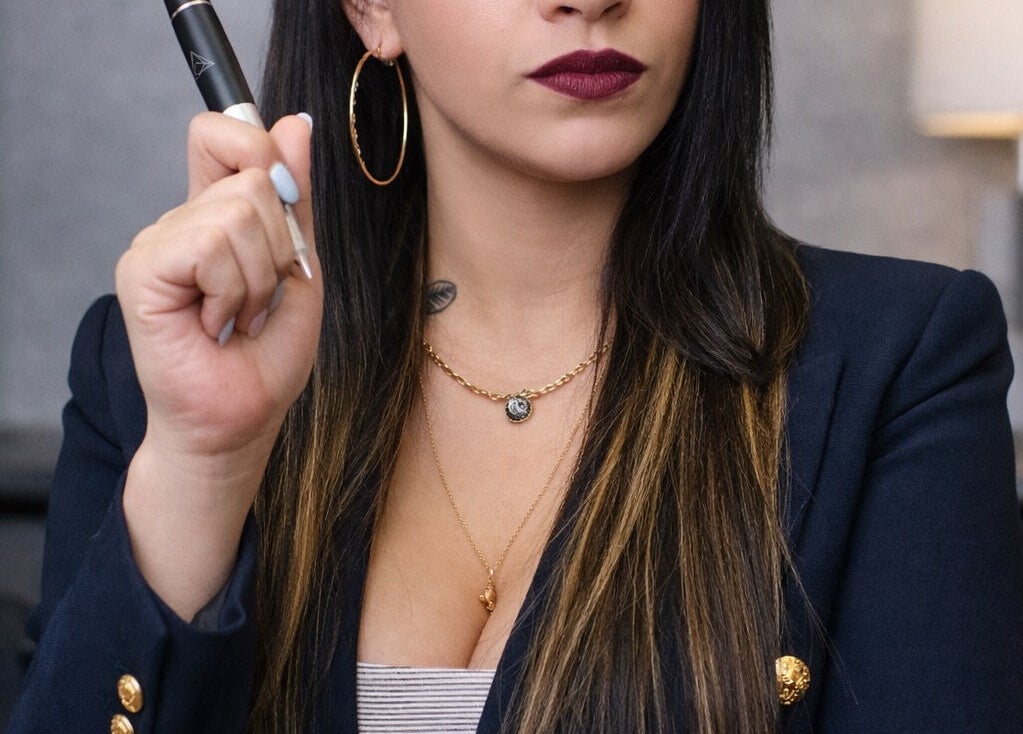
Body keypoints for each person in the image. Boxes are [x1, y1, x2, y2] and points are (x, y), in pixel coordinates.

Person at [8, 0, 1023, 732]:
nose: (589, 4)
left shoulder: (900, 361)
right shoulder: (153, 368)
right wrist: (204, 458)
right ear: (370, 10)